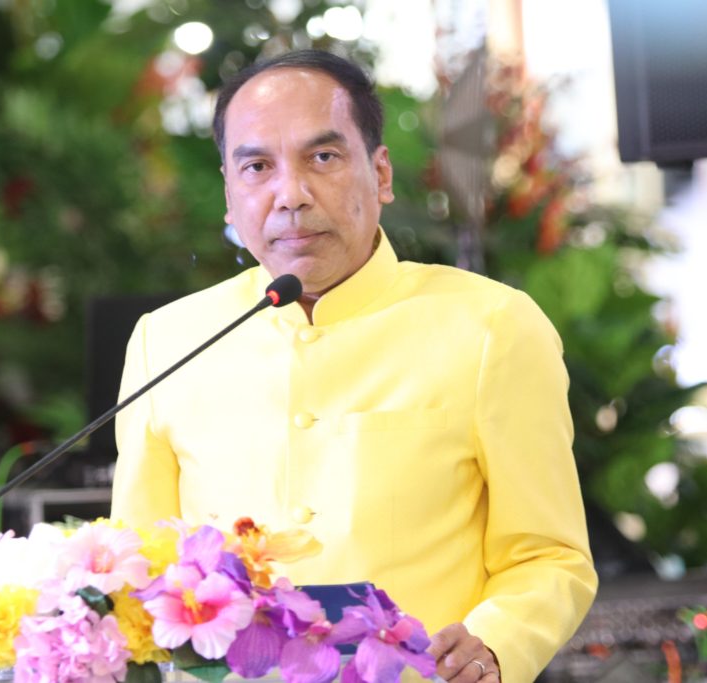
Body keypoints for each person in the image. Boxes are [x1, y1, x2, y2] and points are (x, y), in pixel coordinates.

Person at [111, 49, 597, 683]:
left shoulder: (490, 327)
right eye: (257, 167)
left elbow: (549, 554)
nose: (291, 195)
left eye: (323, 157)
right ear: (229, 195)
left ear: (381, 173)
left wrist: (496, 644)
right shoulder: (167, 340)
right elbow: (139, 565)